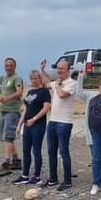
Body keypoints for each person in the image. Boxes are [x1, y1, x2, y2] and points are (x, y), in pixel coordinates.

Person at [38, 60, 77, 190]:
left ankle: (67, 181)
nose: (59, 71)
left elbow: (61, 95)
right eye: (58, 68)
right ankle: (53, 178)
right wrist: (42, 70)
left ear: (68, 69)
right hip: (53, 121)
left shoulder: (72, 83)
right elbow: (46, 82)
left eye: (62, 68)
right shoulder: (56, 83)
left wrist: (58, 84)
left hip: (64, 122)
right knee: (51, 151)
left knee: (64, 151)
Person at [14, 70, 51, 185]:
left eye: (34, 78)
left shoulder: (44, 92)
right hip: (27, 125)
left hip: (38, 125)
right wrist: (20, 124)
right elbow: (25, 109)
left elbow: (46, 108)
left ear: (39, 78)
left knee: (36, 150)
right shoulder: (30, 92)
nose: (32, 80)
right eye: (31, 78)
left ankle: (37, 176)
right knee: (25, 150)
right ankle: (25, 175)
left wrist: (34, 119)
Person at [0, 53, 24, 176]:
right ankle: (15, 160)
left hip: (12, 112)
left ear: (14, 66)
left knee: (7, 138)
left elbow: (20, 92)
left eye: (10, 65)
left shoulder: (17, 78)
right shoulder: (4, 79)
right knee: (5, 137)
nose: (8, 67)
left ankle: (6, 163)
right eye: (6, 65)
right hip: (3, 111)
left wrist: (6, 98)